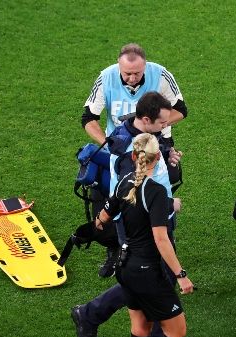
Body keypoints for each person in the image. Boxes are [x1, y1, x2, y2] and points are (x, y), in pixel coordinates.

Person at [70, 92, 198, 337]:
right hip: (141, 222)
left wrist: (168, 155)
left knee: (158, 276)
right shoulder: (126, 146)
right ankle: (90, 314)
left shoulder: (142, 134)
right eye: (162, 122)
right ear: (147, 119)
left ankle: (163, 334)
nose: (166, 125)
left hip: (157, 212)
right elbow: (129, 193)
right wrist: (167, 204)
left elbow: (154, 163)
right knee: (147, 278)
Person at [93, 133, 194, 337]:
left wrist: (97, 224)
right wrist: (181, 274)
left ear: (134, 157)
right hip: (147, 272)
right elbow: (161, 239)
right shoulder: (158, 193)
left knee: (141, 327)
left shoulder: (125, 182)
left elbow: (104, 216)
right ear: (158, 157)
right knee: (176, 331)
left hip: (125, 268)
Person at [82, 43, 188, 277]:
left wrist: (158, 131)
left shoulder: (160, 75)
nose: (131, 78)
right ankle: (118, 251)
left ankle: (161, 254)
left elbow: (181, 109)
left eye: (137, 74)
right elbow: (88, 117)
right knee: (123, 200)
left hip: (156, 147)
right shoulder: (106, 78)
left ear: (145, 67)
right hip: (120, 151)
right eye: (126, 73)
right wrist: (108, 144)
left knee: (152, 199)